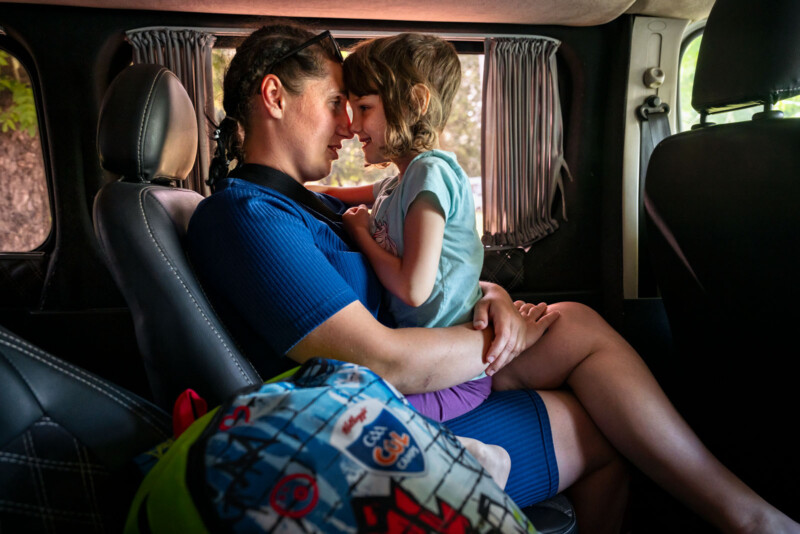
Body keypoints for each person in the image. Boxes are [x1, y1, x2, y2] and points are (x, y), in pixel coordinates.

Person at [187, 23, 799, 534]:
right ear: (274, 96)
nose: (348, 126)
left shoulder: (305, 205)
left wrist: (496, 298)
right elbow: (384, 363)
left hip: (411, 379)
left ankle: (744, 513)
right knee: (603, 429)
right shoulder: (247, 217)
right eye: (334, 104)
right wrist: (506, 341)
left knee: (575, 322)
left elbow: (412, 265)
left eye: (358, 109)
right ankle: (745, 515)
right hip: (375, 416)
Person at [308, 33, 563, 489]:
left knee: (351, 424)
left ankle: (477, 462)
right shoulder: (395, 182)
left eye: (364, 107)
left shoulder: (430, 172)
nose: (352, 123)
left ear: (415, 102)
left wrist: (364, 236)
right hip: (430, 357)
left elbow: (413, 289)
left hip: (454, 373)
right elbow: (328, 194)